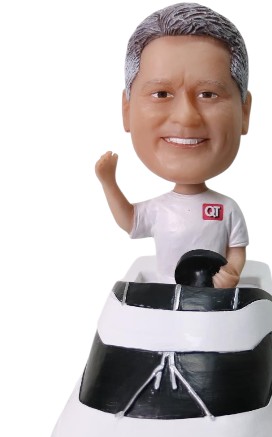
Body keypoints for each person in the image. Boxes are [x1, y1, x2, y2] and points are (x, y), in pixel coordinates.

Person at [95, 2, 252, 288]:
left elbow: (236, 250)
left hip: (214, 298)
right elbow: (129, 220)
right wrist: (108, 182)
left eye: (208, 94)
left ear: (244, 112)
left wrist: (231, 272)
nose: (186, 117)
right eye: (161, 94)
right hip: (166, 292)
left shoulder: (227, 208)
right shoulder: (159, 208)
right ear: (127, 110)